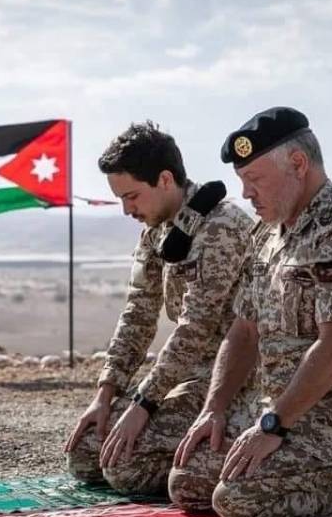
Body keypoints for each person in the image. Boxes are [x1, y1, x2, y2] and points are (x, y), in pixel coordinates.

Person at [169, 107, 332, 517]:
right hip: (281, 409)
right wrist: (215, 408)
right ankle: (321, 474)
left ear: (298, 164)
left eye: (255, 179)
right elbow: (244, 329)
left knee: (240, 502)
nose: (246, 193)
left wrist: (273, 426)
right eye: (242, 180)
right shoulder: (268, 233)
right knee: (187, 483)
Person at [63, 121, 254, 496]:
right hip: (186, 376)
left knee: (125, 468)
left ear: (165, 179)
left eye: (132, 196)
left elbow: (195, 327)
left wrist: (144, 403)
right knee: (85, 455)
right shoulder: (158, 230)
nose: (126, 209)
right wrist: (105, 394)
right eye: (121, 199)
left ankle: (223, 462)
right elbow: (138, 313)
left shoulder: (221, 227)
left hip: (231, 380)